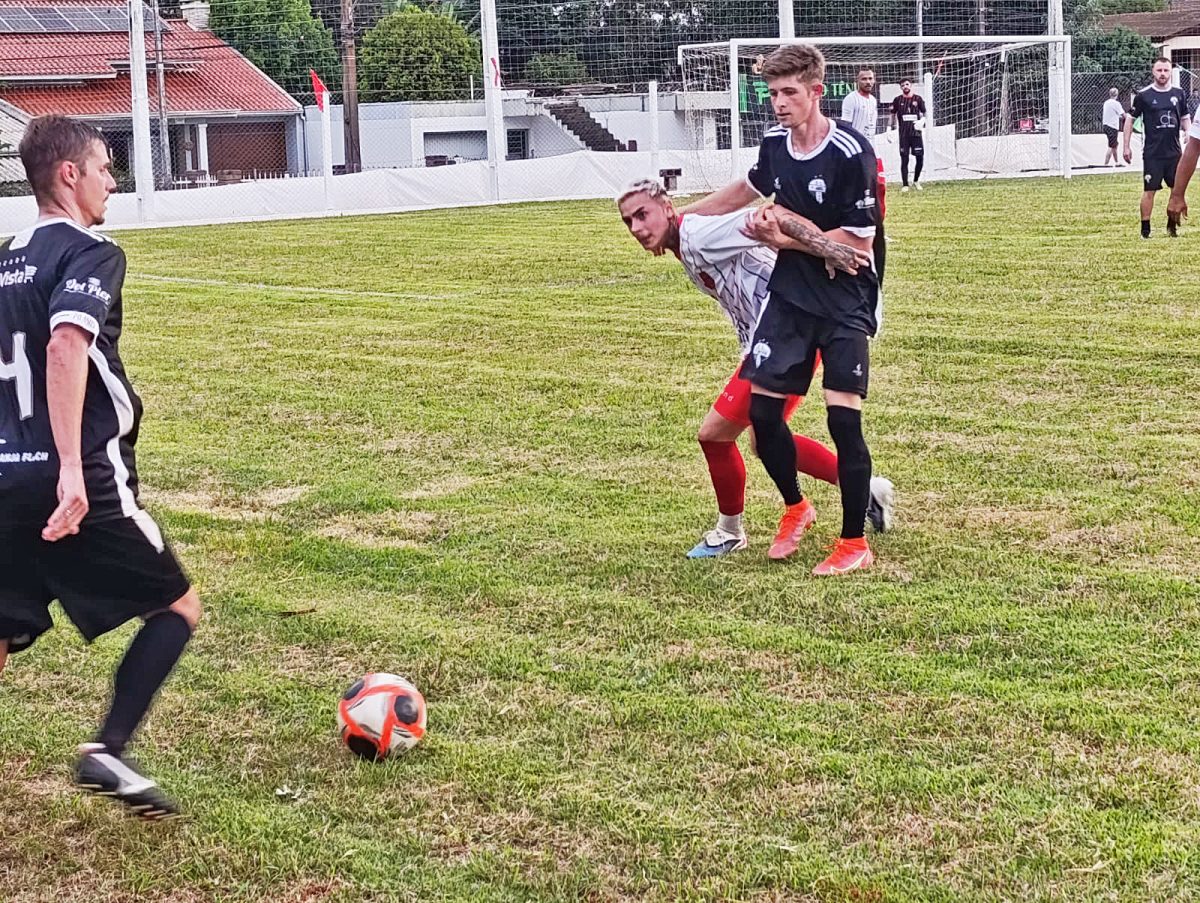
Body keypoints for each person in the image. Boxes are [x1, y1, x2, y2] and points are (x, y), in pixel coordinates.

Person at [0, 115, 201, 819]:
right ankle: (108, 748)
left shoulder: (2, 258)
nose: (112, 182)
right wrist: (70, 470)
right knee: (176, 606)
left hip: (3, 474)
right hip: (76, 470)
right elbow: (64, 347)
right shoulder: (90, 250)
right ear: (69, 175)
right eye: (105, 168)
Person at [677, 44, 882, 576]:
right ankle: (796, 507)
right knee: (763, 416)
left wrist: (782, 239)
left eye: (790, 92)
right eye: (772, 93)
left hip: (844, 302)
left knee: (843, 421)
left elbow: (856, 248)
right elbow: (744, 190)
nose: (779, 103)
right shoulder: (773, 144)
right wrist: (684, 221)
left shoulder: (850, 151)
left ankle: (854, 541)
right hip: (789, 299)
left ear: (817, 92)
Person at [617, 179, 895, 558]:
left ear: (666, 208)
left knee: (714, 435)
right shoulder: (687, 236)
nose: (636, 228)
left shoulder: (698, 235)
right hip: (774, 337)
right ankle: (866, 492)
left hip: (787, 335)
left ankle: (731, 530)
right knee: (764, 441)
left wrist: (827, 247)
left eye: (642, 215)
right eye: (628, 221)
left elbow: (766, 218)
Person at [1124, 58, 1191, 238]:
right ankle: (1145, 229)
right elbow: (1130, 119)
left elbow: (1185, 116)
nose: (1163, 74)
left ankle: (1172, 226)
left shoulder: (1179, 93)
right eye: (1159, 70)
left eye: (1166, 70)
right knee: (1149, 191)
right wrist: (1126, 146)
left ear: (1170, 72)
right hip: (1153, 153)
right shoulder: (1144, 95)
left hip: (1175, 152)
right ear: (1153, 72)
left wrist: (1188, 132)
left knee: (1176, 189)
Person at [890, 78, 927, 192]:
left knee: (920, 158)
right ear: (901, 87)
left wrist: (922, 121)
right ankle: (905, 184)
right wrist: (889, 128)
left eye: (907, 84)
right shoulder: (897, 100)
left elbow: (925, 112)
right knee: (904, 159)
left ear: (911, 86)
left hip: (916, 134)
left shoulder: (918, 99)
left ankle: (916, 180)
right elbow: (892, 114)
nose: (905, 86)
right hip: (903, 135)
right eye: (902, 85)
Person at [841, 68, 878, 138]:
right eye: (864, 79)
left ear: (874, 80)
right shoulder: (851, 99)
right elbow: (845, 125)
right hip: (856, 144)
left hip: (870, 144)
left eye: (870, 78)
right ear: (857, 80)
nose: (868, 82)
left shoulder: (873, 100)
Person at [1102, 87, 1125, 168]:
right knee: (1111, 145)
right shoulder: (1116, 104)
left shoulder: (1106, 103)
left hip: (1106, 125)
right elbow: (1123, 114)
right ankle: (1106, 163)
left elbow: (1112, 114)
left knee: (1115, 144)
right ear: (1117, 94)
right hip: (1112, 126)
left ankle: (1117, 162)